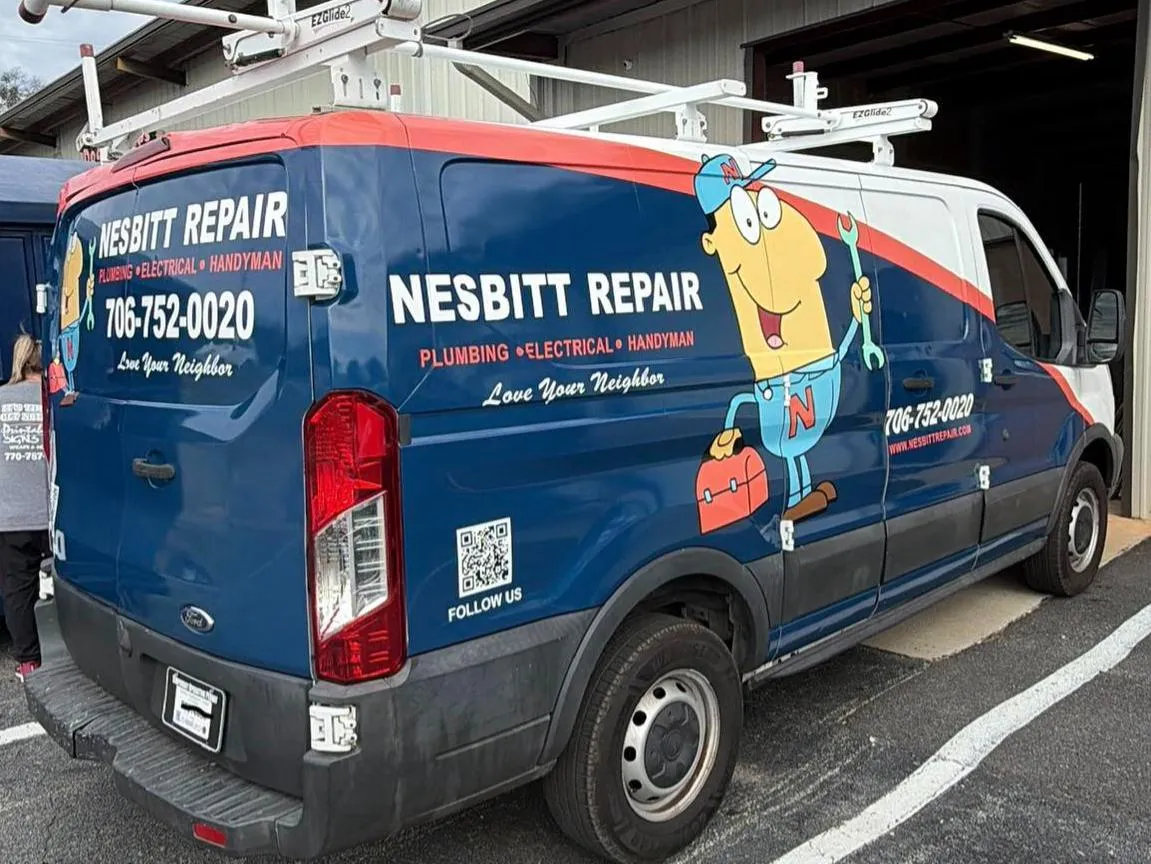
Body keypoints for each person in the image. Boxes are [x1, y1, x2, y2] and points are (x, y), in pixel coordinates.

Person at [0, 334, 51, 681]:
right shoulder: (52, 402)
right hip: (50, 512)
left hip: (11, 516)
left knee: (18, 591)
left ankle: (29, 663)